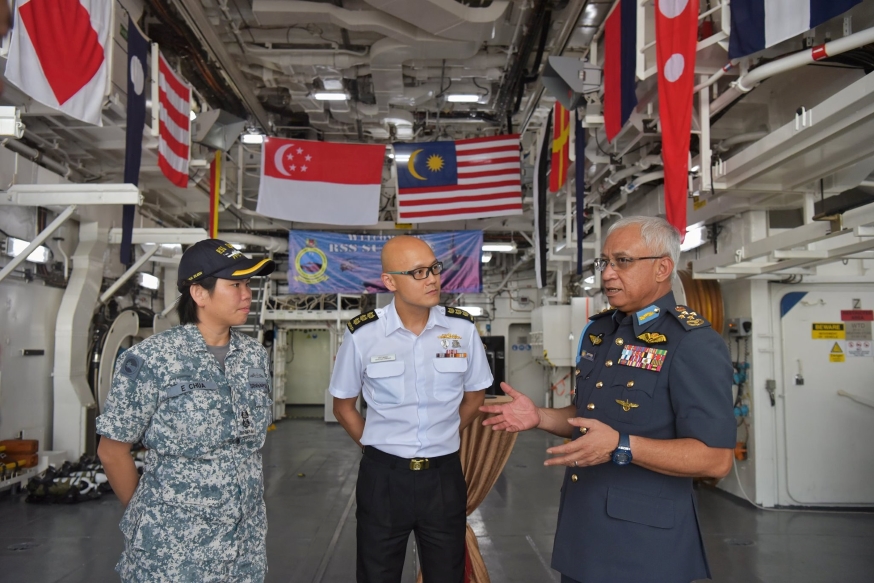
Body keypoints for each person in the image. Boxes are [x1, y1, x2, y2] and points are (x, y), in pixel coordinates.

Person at [481, 216, 735, 583]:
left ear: (663, 267)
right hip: (583, 533)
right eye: (604, 262)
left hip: (644, 548)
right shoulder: (601, 332)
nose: (607, 274)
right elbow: (589, 418)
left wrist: (622, 446)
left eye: (623, 261)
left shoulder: (692, 343)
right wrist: (539, 416)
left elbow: (716, 459)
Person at [97, 239, 276, 582]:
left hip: (245, 544)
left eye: (248, 285)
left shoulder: (253, 357)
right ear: (199, 293)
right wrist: (147, 518)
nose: (246, 294)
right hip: (173, 549)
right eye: (235, 284)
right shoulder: (152, 359)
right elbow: (112, 451)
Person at [329, 235, 493, 583]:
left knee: (447, 573)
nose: (432, 278)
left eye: (434, 268)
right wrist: (377, 444)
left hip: (444, 478)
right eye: (418, 272)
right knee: (377, 573)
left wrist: (442, 433)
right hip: (383, 479)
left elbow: (475, 396)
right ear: (390, 281)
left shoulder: (461, 329)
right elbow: (344, 405)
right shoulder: (364, 335)